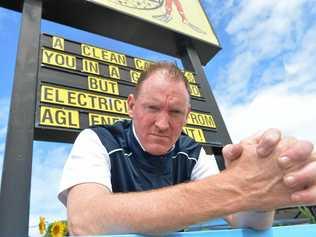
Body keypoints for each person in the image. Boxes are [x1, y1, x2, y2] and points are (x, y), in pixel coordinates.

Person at [58, 62, 315, 235]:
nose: (162, 123)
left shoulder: (191, 153)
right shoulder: (98, 139)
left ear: (188, 115)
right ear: (131, 106)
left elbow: (242, 221)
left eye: (175, 112)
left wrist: (259, 198)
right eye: (152, 108)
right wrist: (238, 187)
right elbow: (85, 220)